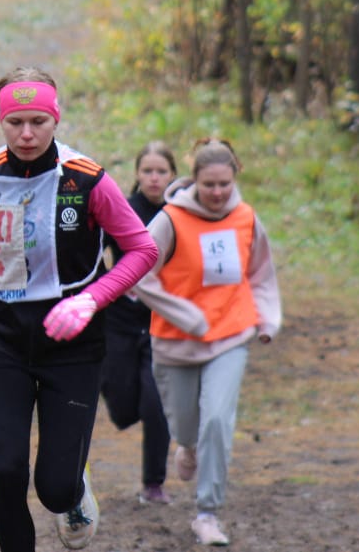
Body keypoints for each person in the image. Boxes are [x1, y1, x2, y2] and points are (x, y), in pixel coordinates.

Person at [0, 66, 158, 552]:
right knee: (6, 470)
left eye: (38, 121)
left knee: (53, 488)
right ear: (1, 121)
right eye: (15, 122)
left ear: (56, 119)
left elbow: (142, 249)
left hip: (73, 344)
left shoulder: (87, 179)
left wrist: (92, 298)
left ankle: (74, 488)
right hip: (4, 342)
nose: (27, 133)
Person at [132, 139, 281, 547]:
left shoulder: (246, 218)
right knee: (187, 425)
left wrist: (267, 318)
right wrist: (184, 314)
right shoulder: (171, 220)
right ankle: (187, 445)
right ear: (193, 181)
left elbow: (261, 272)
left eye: (224, 184)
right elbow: (139, 273)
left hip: (231, 334)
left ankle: (207, 512)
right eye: (209, 184)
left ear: (235, 179)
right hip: (175, 340)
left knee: (218, 419)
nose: (217, 193)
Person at [99, 142, 176, 505]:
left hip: (161, 319)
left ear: (173, 176)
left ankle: (153, 483)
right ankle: (122, 403)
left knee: (155, 403)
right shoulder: (123, 210)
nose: (154, 177)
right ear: (137, 174)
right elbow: (91, 248)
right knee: (123, 405)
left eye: (161, 171)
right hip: (120, 317)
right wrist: (104, 285)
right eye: (148, 171)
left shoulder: (181, 216)